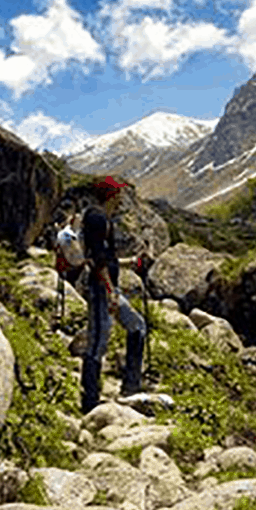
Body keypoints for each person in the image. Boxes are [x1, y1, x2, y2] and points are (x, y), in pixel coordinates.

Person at [78, 176, 147, 413]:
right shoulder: (97, 218)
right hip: (101, 289)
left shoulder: (104, 219)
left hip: (108, 287)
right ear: (110, 195)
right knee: (98, 342)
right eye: (117, 194)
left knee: (137, 327)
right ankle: (90, 402)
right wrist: (110, 291)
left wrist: (130, 263)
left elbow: (106, 258)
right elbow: (98, 259)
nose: (120, 198)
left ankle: (131, 386)